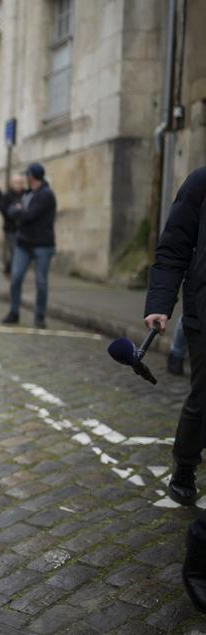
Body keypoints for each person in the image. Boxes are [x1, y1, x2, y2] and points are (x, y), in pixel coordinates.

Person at [142, 166, 206, 612]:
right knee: (203, 401)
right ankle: (184, 465)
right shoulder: (200, 183)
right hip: (205, 318)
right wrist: (160, 305)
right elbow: (173, 249)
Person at [1, 163, 56, 328]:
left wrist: (19, 211)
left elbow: (29, 215)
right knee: (16, 277)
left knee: (41, 282)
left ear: (32, 176)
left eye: (28, 175)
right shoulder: (28, 194)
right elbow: (10, 211)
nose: (26, 178)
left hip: (42, 245)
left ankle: (40, 316)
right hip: (23, 243)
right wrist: (18, 210)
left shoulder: (45, 195)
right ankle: (14, 311)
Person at [0, 174, 25, 276]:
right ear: (11, 184)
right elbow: (3, 210)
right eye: (16, 182)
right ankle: (13, 271)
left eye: (20, 183)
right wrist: (14, 210)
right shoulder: (7, 196)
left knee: (20, 251)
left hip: (23, 228)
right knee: (14, 250)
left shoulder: (25, 194)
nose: (18, 185)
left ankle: (10, 268)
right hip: (11, 228)